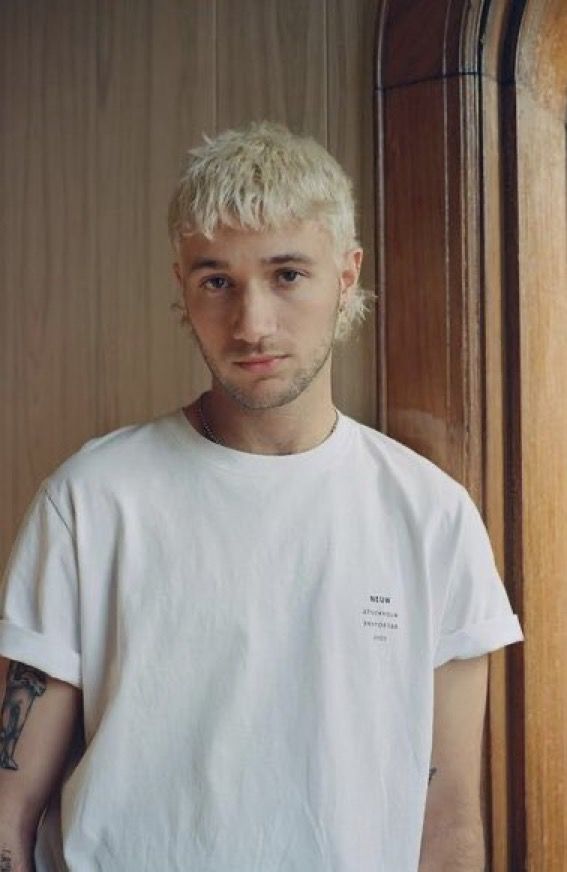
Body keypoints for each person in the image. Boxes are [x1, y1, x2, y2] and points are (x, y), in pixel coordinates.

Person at [0, 121, 523, 871]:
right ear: (182, 285)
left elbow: (446, 827)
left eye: (286, 274)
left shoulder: (429, 516)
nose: (252, 324)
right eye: (217, 280)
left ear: (345, 276)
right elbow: (8, 809)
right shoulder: (91, 500)